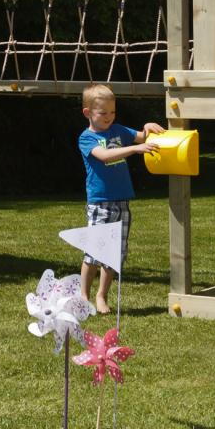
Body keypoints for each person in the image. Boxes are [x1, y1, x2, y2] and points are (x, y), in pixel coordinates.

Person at [78, 83, 164, 314]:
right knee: (94, 251)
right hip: (100, 202)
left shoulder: (118, 130)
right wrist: (134, 150)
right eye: (103, 113)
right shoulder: (87, 138)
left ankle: (101, 297)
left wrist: (146, 128)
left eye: (112, 112)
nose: (109, 117)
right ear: (88, 113)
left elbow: (142, 136)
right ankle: (83, 296)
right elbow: (104, 156)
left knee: (114, 252)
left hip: (121, 201)